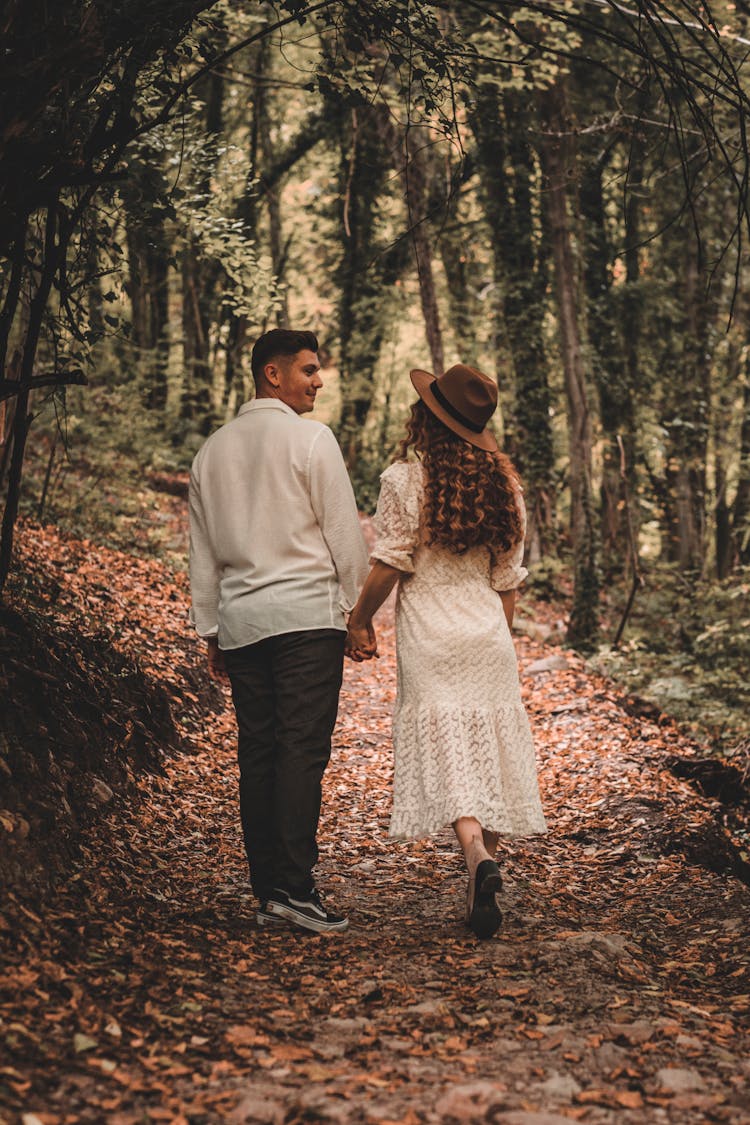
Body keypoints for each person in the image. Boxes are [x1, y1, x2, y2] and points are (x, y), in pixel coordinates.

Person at [346, 363, 547, 938]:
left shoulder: (406, 481)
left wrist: (359, 622)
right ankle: (483, 870)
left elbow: (391, 561)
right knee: (489, 747)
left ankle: (476, 858)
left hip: (430, 634)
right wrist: (499, 642)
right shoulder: (506, 488)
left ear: (426, 420)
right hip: (485, 630)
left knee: (450, 747)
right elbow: (508, 580)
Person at [189, 328, 370, 934]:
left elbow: (203, 553)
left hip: (244, 623)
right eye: (310, 370)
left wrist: (210, 629)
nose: (319, 381)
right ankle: (294, 887)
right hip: (305, 621)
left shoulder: (211, 451)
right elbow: (344, 534)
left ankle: (269, 889)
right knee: (300, 750)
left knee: (259, 752)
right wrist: (358, 612)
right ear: (273, 374)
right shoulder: (312, 441)